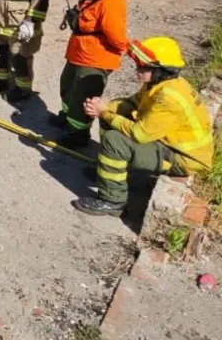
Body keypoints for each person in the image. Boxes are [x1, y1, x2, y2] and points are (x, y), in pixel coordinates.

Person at [72, 37, 214, 217]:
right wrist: (105, 106)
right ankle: (111, 174)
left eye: (143, 67)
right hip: (169, 144)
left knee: (114, 140)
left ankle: (113, 201)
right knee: (112, 121)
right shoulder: (159, 85)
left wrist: (104, 113)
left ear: (161, 70)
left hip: (184, 159)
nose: (137, 70)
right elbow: (132, 103)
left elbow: (139, 135)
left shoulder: (169, 98)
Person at [54, 0, 139, 148]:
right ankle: (66, 118)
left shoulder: (112, 1)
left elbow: (116, 37)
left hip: (95, 60)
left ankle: (78, 133)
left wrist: (129, 50)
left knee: (84, 97)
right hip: (78, 54)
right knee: (68, 87)